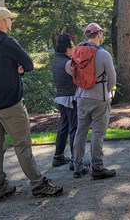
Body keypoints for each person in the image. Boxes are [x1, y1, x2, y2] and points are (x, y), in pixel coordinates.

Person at [0, 7, 63, 200]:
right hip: (11, 101)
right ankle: (38, 184)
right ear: (2, 20)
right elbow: (29, 64)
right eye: (10, 19)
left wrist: (14, 68)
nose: (11, 22)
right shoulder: (8, 42)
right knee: (22, 144)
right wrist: (18, 69)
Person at [66, 23, 117, 180]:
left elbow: (68, 68)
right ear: (99, 35)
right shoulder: (103, 54)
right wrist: (106, 91)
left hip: (81, 96)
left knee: (80, 132)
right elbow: (113, 77)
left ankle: (77, 166)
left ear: (87, 35)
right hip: (99, 98)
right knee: (97, 133)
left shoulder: (78, 52)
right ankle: (97, 167)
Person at [51, 33, 78, 168]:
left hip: (61, 97)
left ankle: (58, 156)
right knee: (74, 128)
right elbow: (78, 78)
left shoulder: (56, 60)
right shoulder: (68, 63)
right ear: (68, 49)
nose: (74, 48)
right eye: (73, 46)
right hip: (71, 97)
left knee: (64, 126)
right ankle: (75, 160)